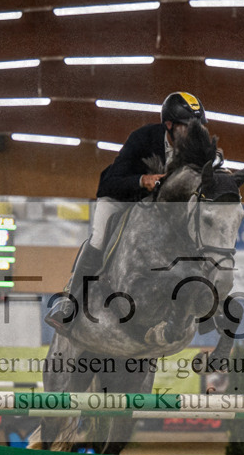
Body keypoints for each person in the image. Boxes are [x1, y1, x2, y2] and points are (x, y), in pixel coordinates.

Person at [44, 91, 209, 331]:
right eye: (188, 127)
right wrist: (143, 180)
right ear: (169, 125)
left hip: (158, 211)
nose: (194, 134)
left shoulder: (196, 148)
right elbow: (112, 181)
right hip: (120, 197)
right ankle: (69, 305)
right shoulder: (142, 138)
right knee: (99, 239)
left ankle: (204, 309)